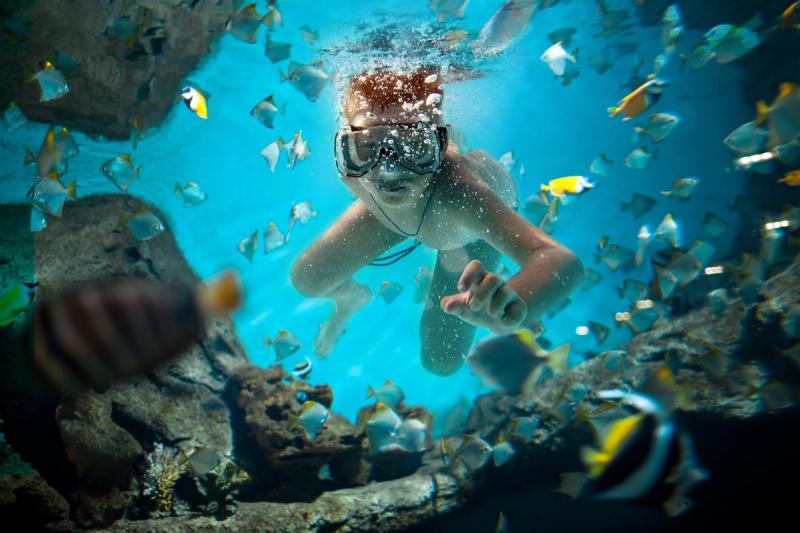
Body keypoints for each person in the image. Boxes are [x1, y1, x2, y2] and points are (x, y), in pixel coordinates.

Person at [290, 67, 584, 376]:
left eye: (414, 145)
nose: (389, 171)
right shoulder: (355, 174)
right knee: (308, 278)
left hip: (467, 232)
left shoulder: (459, 193)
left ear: (440, 148)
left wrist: (516, 302)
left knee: (441, 359)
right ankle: (351, 299)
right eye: (366, 147)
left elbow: (563, 261)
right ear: (345, 145)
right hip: (410, 213)